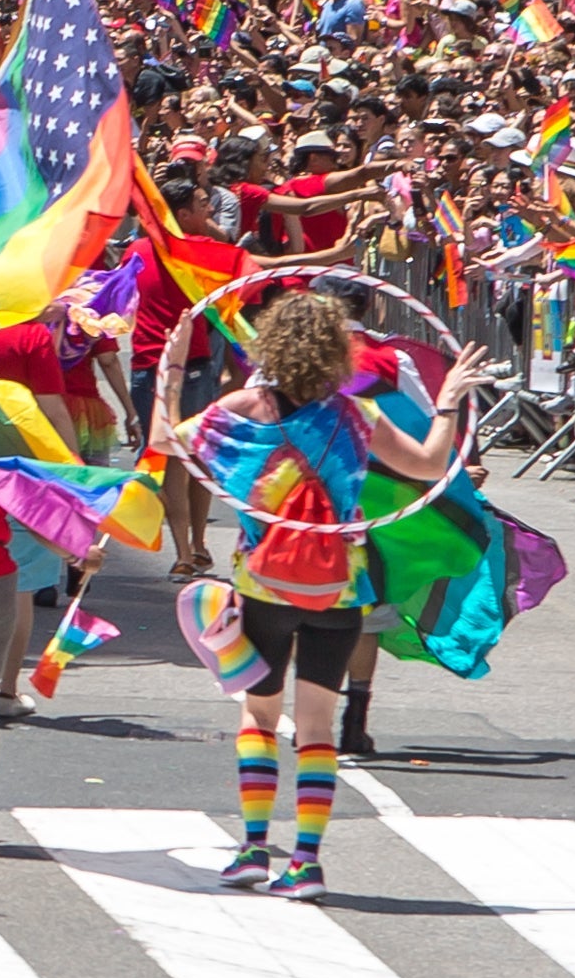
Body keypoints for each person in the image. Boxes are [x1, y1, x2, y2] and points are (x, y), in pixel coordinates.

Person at [158, 288, 481, 900]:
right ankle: (306, 861)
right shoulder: (355, 416)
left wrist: (174, 365)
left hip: (264, 586)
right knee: (316, 726)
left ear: (272, 342)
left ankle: (254, 848)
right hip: (339, 590)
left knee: (259, 714)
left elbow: (166, 440)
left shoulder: (243, 407)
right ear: (337, 350)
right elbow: (430, 466)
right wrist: (447, 402)